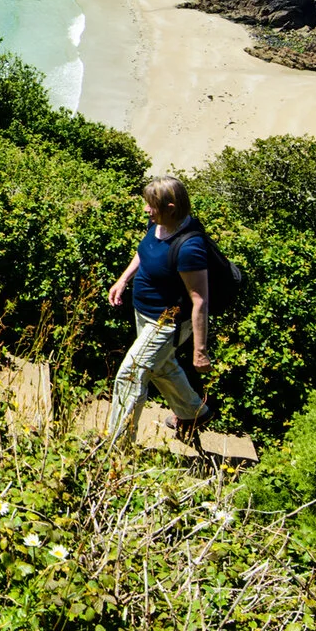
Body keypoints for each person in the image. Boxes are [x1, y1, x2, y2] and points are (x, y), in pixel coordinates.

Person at [104, 176, 212, 443]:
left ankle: (115, 444)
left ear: (171, 206)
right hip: (144, 311)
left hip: (166, 323)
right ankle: (193, 412)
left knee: (131, 374)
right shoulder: (159, 222)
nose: (146, 210)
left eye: (151, 205)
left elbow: (200, 300)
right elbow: (145, 251)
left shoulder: (190, 247)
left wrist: (200, 351)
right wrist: (123, 279)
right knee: (160, 366)